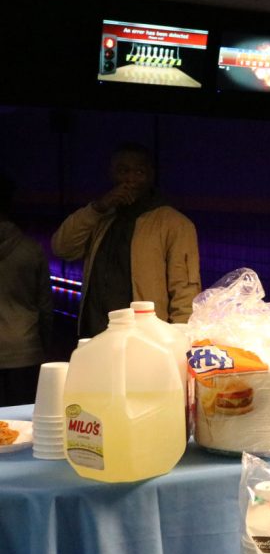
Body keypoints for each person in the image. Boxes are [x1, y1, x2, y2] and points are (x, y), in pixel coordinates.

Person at [51, 142, 200, 337]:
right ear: (111, 174)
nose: (130, 179)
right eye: (123, 171)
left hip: (145, 339)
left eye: (139, 172)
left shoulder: (174, 223)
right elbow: (62, 248)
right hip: (96, 333)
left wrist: (181, 339)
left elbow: (185, 290)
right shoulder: (101, 218)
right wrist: (97, 208)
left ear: (151, 175)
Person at [0, 174, 52, 405]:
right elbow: (45, 306)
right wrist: (46, 346)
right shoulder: (31, 250)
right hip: (25, 350)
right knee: (22, 427)